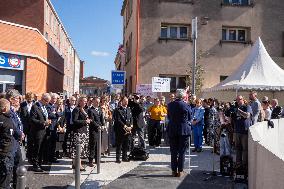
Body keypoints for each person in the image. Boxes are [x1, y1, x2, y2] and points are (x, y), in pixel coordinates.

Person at [167, 89, 192, 177]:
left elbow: (169, 116)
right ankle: (180, 170)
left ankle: (174, 170)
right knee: (182, 151)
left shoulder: (170, 105)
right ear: (183, 96)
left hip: (173, 129)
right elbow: (190, 117)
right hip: (183, 130)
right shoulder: (186, 105)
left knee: (173, 151)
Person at [0, 99, 22, 189]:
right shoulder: (6, 120)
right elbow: (7, 137)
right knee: (5, 177)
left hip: (7, 150)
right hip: (6, 152)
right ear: (5, 108)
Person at [29, 93, 52, 172]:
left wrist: (47, 121)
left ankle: (39, 163)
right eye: (47, 101)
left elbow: (45, 116)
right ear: (43, 99)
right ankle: (35, 165)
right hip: (37, 131)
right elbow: (32, 119)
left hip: (43, 131)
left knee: (42, 148)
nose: (48, 103)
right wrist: (43, 123)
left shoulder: (44, 107)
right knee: (37, 148)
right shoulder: (35, 106)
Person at [233, 95, 252, 173]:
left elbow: (247, 115)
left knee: (245, 149)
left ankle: (244, 166)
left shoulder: (247, 107)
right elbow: (233, 119)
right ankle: (238, 164)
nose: (238, 101)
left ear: (243, 100)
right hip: (237, 131)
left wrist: (239, 111)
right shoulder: (235, 108)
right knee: (238, 149)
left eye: (239, 99)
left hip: (244, 131)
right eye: (237, 100)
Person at [71, 96, 90, 171]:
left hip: (84, 131)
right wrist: (85, 121)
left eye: (86, 101)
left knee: (81, 149)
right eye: (84, 101)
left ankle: (75, 163)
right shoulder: (76, 109)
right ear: (79, 102)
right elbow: (75, 120)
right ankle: (79, 165)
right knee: (79, 149)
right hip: (78, 132)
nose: (85, 103)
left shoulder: (84, 109)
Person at [113, 96, 133, 163]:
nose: (126, 102)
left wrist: (131, 126)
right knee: (119, 144)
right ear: (122, 101)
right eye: (125, 101)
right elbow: (118, 120)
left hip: (128, 130)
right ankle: (117, 158)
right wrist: (125, 126)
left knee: (125, 144)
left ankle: (124, 157)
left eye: (127, 101)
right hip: (120, 130)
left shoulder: (129, 109)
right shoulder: (118, 109)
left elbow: (131, 118)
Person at [88, 97, 104, 167]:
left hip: (100, 130)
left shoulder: (99, 109)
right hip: (94, 130)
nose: (97, 103)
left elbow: (101, 119)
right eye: (96, 102)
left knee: (98, 145)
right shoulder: (90, 110)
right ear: (93, 102)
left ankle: (97, 159)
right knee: (93, 145)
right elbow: (92, 120)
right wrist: (98, 126)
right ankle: (91, 160)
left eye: (98, 102)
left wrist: (103, 125)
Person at [19, 92, 34, 161]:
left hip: (32, 126)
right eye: (29, 98)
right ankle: (23, 154)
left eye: (31, 98)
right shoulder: (22, 105)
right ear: (26, 98)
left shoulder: (34, 105)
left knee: (30, 141)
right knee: (23, 141)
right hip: (24, 125)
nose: (30, 100)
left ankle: (29, 155)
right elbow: (20, 115)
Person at [45, 93, 60, 163]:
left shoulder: (54, 106)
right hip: (50, 127)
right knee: (49, 144)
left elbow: (60, 114)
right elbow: (49, 114)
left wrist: (56, 114)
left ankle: (52, 157)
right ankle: (48, 158)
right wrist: (56, 114)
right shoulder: (48, 105)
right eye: (53, 98)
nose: (55, 100)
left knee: (53, 143)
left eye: (56, 99)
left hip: (54, 127)